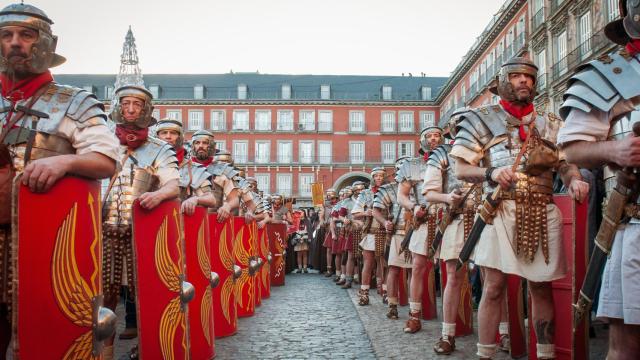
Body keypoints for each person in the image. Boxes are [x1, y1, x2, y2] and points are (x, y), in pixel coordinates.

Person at [0, 3, 119, 356]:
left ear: (47, 43)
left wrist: (66, 161)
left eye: (26, 34)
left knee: (40, 325)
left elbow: (106, 159)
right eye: (6, 36)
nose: (15, 43)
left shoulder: (74, 102)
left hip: (42, 241)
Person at [451, 57, 588, 359]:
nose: (524, 81)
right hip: (499, 211)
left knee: (541, 288)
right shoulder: (480, 118)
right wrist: (491, 173)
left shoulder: (551, 124)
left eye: (529, 77)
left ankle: (546, 354)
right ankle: (485, 355)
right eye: (516, 76)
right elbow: (461, 169)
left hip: (541, 211)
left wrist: (575, 179)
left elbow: (565, 164)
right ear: (502, 81)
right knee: (494, 287)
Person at [557, 1, 640, 357]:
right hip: (636, 221)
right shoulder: (612, 73)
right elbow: (572, 149)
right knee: (625, 341)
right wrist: (616, 151)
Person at [102, 85, 180, 359]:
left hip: (142, 231)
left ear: (146, 110)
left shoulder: (159, 149)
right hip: (103, 229)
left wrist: (157, 195)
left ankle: (147, 348)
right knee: (105, 296)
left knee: (142, 293)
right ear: (118, 107)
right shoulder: (101, 141)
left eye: (137, 104)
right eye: (126, 103)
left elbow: (173, 185)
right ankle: (104, 352)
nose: (131, 109)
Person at [423, 112, 482, 354]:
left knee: (494, 278)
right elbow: (429, 192)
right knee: (453, 277)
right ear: (452, 129)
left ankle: (504, 333)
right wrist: (448, 197)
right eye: (459, 124)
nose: (463, 127)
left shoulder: (487, 147)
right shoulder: (441, 155)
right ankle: (448, 334)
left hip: (487, 218)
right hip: (456, 219)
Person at [397, 125, 444, 334]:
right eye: (430, 135)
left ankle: (456, 322)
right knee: (417, 267)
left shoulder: (453, 157)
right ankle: (415, 315)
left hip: (451, 217)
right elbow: (401, 196)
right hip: (424, 219)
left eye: (438, 135)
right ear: (422, 140)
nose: (434, 139)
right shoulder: (412, 165)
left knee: (454, 271)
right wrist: (413, 207)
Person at [373, 157, 412, 320]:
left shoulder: (420, 185)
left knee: (413, 271)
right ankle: (392, 305)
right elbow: (376, 210)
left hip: (415, 232)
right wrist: (385, 222)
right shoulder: (389, 189)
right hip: (397, 233)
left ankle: (414, 306)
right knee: (394, 270)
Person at [155, 119, 215, 214]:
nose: (168, 136)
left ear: (180, 137)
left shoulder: (193, 168)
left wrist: (195, 199)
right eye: (164, 133)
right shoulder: (146, 163)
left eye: (173, 133)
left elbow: (210, 199)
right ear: (157, 136)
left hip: (178, 222)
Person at [353, 167, 387, 305]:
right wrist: (365, 213)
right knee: (368, 263)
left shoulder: (389, 191)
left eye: (381, 176)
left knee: (384, 264)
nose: (379, 178)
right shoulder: (365, 194)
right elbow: (355, 212)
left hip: (386, 232)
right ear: (372, 177)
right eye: (376, 176)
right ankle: (364, 293)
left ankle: (385, 291)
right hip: (371, 232)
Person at [320, 188, 339, 276]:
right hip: (328, 228)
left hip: (339, 228)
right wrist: (322, 221)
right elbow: (321, 215)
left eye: (332, 197)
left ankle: (338, 270)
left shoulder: (340, 204)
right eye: (329, 197)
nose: (331, 199)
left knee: (339, 250)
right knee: (329, 249)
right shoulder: (324, 205)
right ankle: (329, 269)